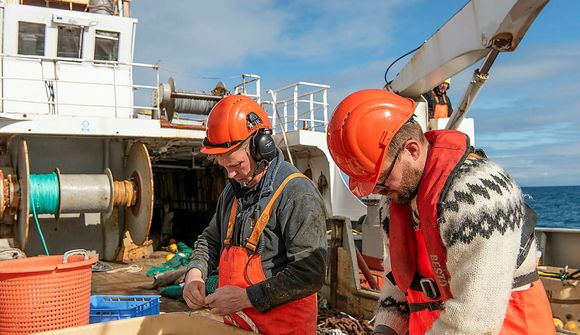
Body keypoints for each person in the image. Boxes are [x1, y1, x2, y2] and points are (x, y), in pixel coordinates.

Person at [326, 89, 554, 335]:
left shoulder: (479, 194)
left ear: (411, 150)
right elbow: (399, 281)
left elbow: (475, 319)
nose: (379, 192)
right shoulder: (394, 200)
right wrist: (385, 328)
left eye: (381, 180)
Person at [183, 94, 327, 335]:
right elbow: (210, 240)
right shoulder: (233, 192)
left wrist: (246, 298)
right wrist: (194, 274)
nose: (230, 175)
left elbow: (310, 274)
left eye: (236, 165)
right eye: (224, 167)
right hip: (240, 327)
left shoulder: (297, 193)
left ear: (261, 147)